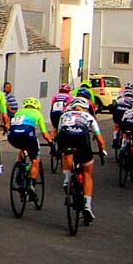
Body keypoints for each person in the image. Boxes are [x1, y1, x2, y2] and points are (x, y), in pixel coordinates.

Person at [55, 96, 106, 224]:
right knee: (87, 173)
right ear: (86, 108)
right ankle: (87, 206)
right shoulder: (88, 117)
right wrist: (102, 150)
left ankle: (67, 179)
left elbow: (58, 134)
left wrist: (57, 150)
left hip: (65, 138)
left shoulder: (64, 116)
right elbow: (99, 138)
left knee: (66, 153)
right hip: (81, 140)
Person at [6, 97, 53, 191]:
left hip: (12, 137)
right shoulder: (37, 113)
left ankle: (19, 169)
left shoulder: (18, 112)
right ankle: (31, 184)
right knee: (35, 160)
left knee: (22, 147)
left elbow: (9, 125)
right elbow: (45, 134)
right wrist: (51, 143)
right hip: (28, 136)